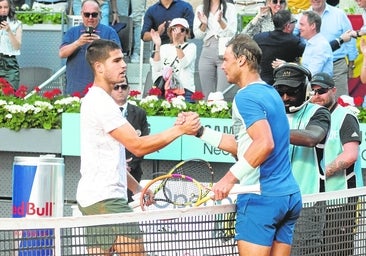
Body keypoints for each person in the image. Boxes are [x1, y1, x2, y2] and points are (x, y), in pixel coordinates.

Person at [77, 38, 200, 255]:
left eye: (123, 59)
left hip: (95, 198)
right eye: (116, 61)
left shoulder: (99, 100)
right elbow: (138, 146)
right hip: (106, 200)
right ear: (99, 67)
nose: (123, 65)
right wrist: (180, 130)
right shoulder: (101, 102)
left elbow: (110, 162)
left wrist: (138, 189)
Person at [186, 34, 302, 256]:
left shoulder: (245, 97)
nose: (223, 66)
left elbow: (265, 143)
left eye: (227, 59)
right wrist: (201, 132)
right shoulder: (271, 93)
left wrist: (228, 179)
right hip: (288, 197)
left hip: (261, 197)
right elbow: (247, 146)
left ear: (241, 60)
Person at [273, 63, 331, 255]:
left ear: (306, 90)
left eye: (291, 92)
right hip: (273, 201)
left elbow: (311, 138)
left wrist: (268, 131)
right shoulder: (271, 114)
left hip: (307, 203)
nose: (285, 98)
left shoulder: (319, 113)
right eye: (280, 92)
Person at [310, 72, 362, 256]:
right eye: (313, 91)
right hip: (313, 200)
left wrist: (321, 174)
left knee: (337, 251)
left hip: (340, 200)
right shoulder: (309, 116)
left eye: (321, 91)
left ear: (333, 91)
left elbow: (350, 155)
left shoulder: (345, 117)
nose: (316, 96)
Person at [59, 0, 120, 95]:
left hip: (102, 89)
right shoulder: (72, 31)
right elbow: (62, 53)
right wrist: (78, 43)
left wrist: (100, 43)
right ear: (81, 14)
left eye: (94, 14)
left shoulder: (109, 32)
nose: (90, 18)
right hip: (76, 89)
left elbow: (118, 57)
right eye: (87, 14)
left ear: (100, 14)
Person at [110, 77, 150, 203]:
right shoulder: (105, 112)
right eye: (116, 87)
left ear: (128, 90)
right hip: (110, 172)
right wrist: (119, 164)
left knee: (131, 209)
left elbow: (143, 143)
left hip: (133, 171)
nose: (120, 90)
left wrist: (129, 166)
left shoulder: (139, 113)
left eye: (123, 87)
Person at [309, 0, 358, 97]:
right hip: (314, 67)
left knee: (341, 101)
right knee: (315, 102)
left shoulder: (339, 14)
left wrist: (351, 63)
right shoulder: (304, 16)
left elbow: (350, 38)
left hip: (337, 66)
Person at [193, 0, 237, 100]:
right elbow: (197, 35)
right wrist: (204, 24)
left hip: (224, 49)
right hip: (207, 48)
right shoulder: (201, 8)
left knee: (222, 93)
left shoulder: (230, 7)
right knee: (206, 93)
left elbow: (232, 32)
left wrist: (221, 21)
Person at [150, 18, 196, 101]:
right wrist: (157, 46)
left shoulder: (191, 47)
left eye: (182, 30)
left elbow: (184, 64)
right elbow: (156, 68)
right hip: (165, 90)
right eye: (174, 29)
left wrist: (178, 44)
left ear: (186, 33)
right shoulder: (164, 47)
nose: (178, 32)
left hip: (184, 90)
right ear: (170, 32)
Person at [253, 9, 302, 85]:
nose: (296, 25)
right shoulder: (294, 42)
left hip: (258, 82)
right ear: (288, 26)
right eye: (294, 21)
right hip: (282, 85)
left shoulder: (258, 38)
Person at [0, 0, 22, 89]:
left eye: (6, 7)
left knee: (11, 94)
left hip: (10, 63)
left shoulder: (16, 24)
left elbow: (17, 46)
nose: (3, 10)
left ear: (10, 8)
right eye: (0, 7)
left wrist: (9, 31)